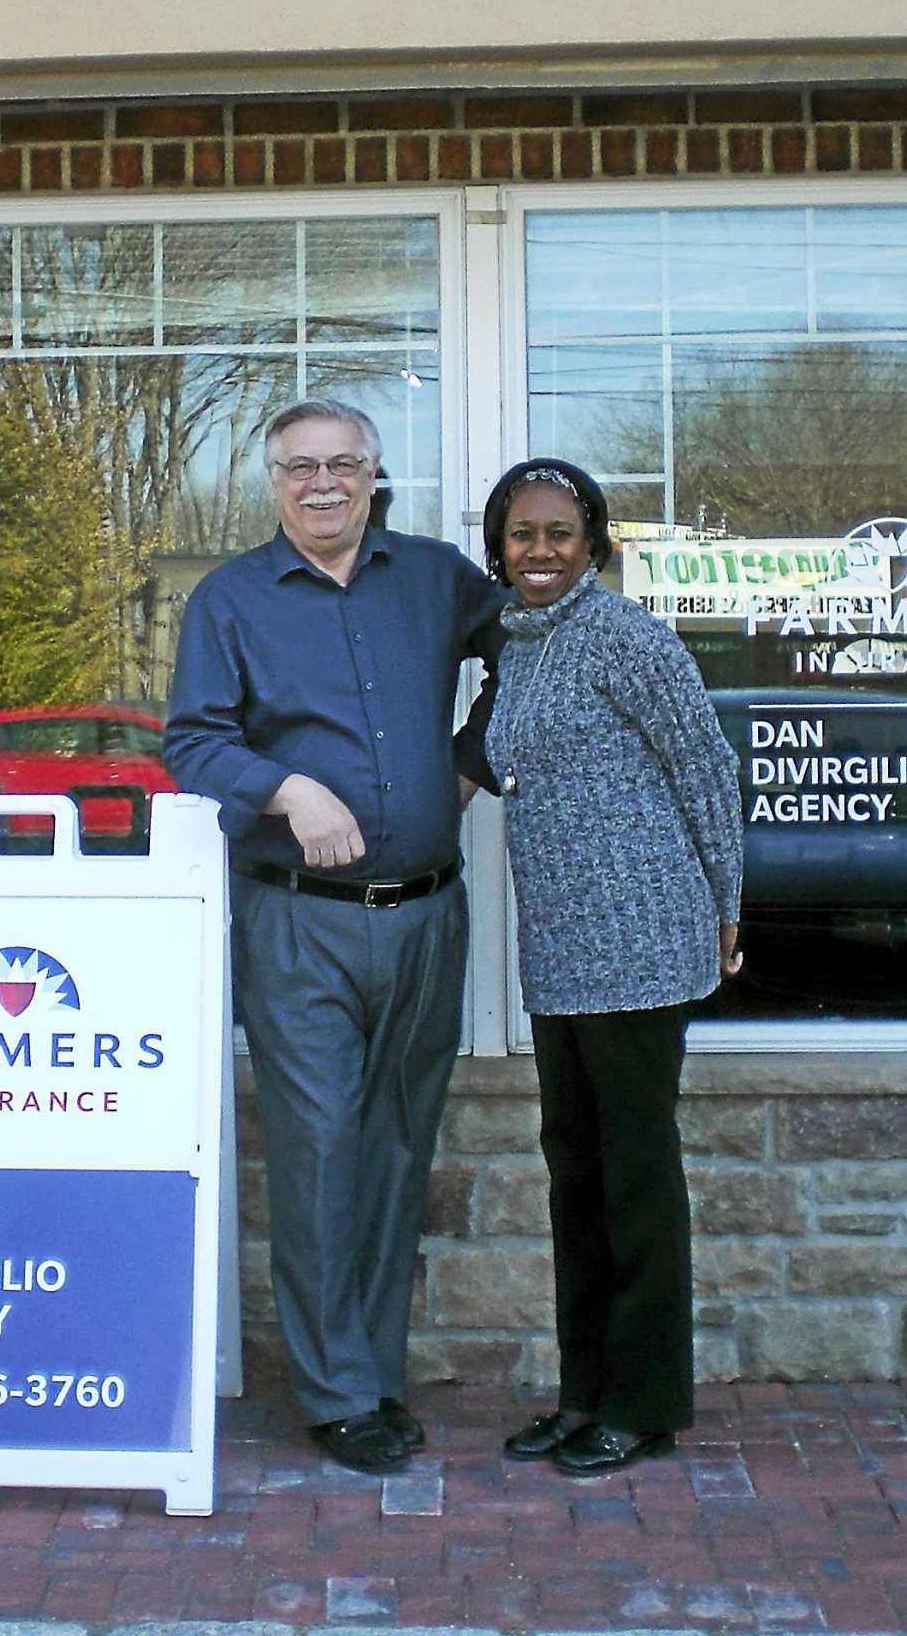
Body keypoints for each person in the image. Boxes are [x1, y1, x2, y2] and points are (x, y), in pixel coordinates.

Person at [163, 398, 505, 1474]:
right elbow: (191, 740)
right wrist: (283, 786)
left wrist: (470, 757)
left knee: (398, 1147)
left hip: (425, 912)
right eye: (300, 467)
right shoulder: (228, 600)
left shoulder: (437, 577)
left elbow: (534, 655)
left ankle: (375, 1371)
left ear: (372, 475)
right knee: (317, 1152)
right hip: (297, 922)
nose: (322, 483)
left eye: (342, 464)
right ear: (271, 482)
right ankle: (335, 1391)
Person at [481, 457, 744, 1478]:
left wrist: (724, 903)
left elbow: (704, 768)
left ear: (591, 540)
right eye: (519, 534)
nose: (537, 551)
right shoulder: (517, 644)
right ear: (496, 548)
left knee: (632, 1177)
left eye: (556, 532)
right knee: (574, 1174)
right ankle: (582, 1389)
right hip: (560, 949)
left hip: (640, 941)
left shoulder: (625, 637)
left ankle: (641, 1401)